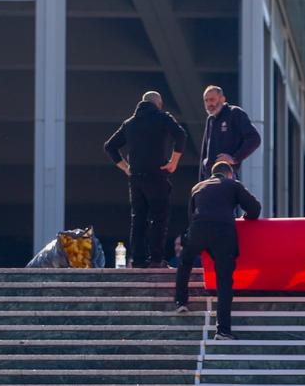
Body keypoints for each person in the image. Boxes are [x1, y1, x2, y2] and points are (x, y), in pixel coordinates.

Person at [174, 161, 262, 340]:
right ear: (229, 174)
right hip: (223, 232)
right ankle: (223, 330)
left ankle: (181, 301)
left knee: (185, 260)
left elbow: (191, 216)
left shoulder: (198, 187)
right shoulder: (233, 184)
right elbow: (254, 209)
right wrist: (246, 217)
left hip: (198, 230)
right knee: (224, 280)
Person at [103, 91, 188, 268]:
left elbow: (110, 146)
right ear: (159, 104)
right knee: (159, 218)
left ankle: (138, 260)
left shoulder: (130, 123)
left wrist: (126, 167)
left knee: (138, 219)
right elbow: (181, 135)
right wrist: (173, 162)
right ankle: (156, 260)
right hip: (157, 176)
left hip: (136, 179)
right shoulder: (162, 117)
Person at [199, 85, 261, 181]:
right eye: (206, 100)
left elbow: (255, 138)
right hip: (209, 177)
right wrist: (201, 180)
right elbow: (204, 152)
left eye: (212, 100)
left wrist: (234, 158)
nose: (208, 104)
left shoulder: (235, 113)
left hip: (226, 175)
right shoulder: (210, 119)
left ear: (222, 99)